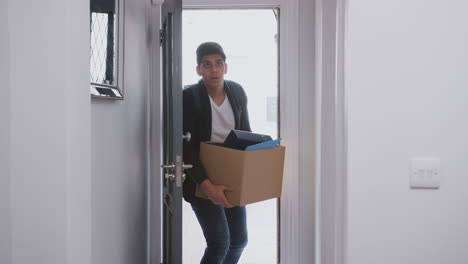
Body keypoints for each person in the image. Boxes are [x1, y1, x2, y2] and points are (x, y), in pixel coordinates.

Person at [183, 42, 251, 264]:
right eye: (207, 64)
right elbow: (186, 147)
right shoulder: (189, 97)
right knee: (220, 243)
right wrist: (206, 184)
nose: (214, 70)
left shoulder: (237, 92)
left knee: (238, 241)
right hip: (201, 176)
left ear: (226, 67)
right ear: (198, 70)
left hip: (230, 173)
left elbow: (245, 133)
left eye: (218, 64)